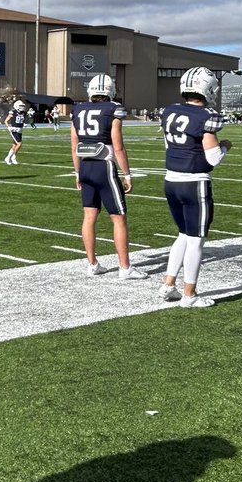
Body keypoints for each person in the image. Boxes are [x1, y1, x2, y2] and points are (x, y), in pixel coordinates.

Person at [158, 67, 231, 308]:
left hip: (171, 181)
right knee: (196, 240)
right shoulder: (206, 116)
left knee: (182, 235)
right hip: (194, 183)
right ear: (208, 89)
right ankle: (189, 294)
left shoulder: (170, 111)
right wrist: (226, 146)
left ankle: (168, 285)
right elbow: (213, 159)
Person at [70, 75, 146, 280]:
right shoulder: (112, 110)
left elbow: (74, 144)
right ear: (110, 91)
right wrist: (128, 174)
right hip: (104, 167)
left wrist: (77, 172)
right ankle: (125, 268)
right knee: (119, 218)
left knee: (89, 217)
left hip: (85, 166)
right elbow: (118, 146)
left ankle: (92, 264)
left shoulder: (78, 109)